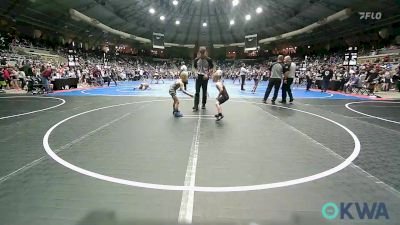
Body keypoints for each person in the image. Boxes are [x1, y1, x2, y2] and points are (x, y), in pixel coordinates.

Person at [193, 47, 214, 111]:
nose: (202, 54)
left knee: (204, 91)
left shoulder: (209, 60)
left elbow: (212, 68)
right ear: (199, 52)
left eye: (203, 53)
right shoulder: (196, 60)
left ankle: (203, 104)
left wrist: (207, 75)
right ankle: (196, 105)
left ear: (205, 52)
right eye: (200, 53)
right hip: (198, 77)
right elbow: (194, 68)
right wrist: (195, 73)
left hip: (205, 77)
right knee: (197, 91)